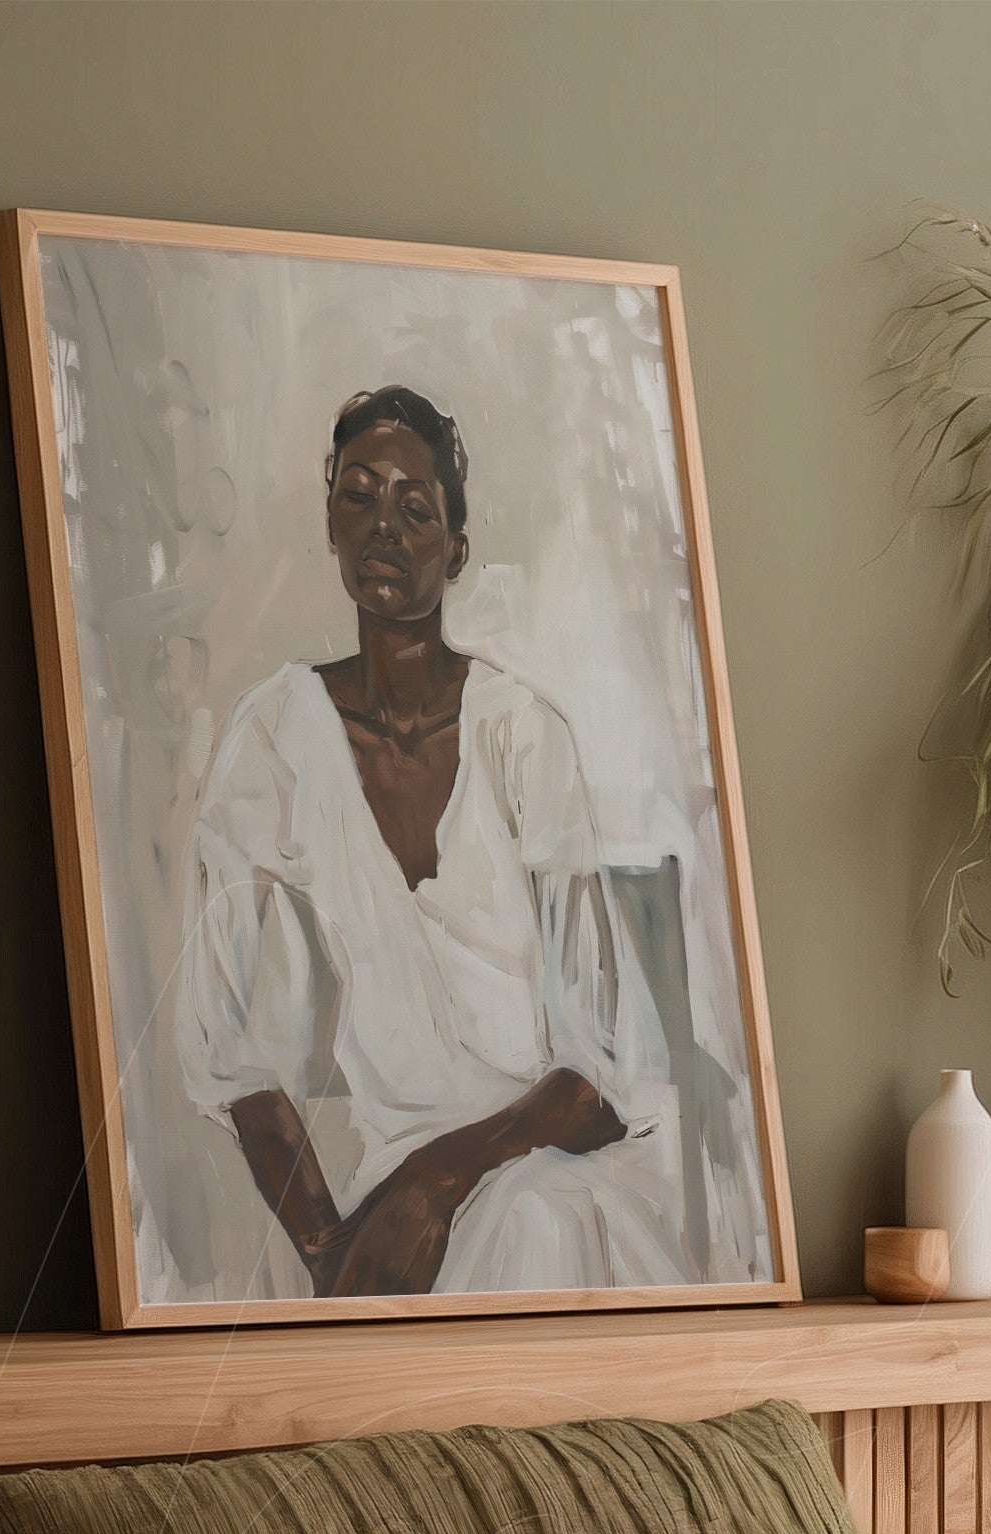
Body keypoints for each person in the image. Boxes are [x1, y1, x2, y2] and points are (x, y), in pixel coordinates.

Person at [176, 385, 683, 1297]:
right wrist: (329, 1248)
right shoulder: (273, 737)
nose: (384, 526)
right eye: (359, 497)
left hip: (552, 1164)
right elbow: (228, 1047)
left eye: (416, 509)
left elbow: (606, 1075)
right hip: (390, 1179)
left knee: (533, 1222)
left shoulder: (522, 733)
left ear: (456, 550)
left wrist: (440, 1180)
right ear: (330, 522)